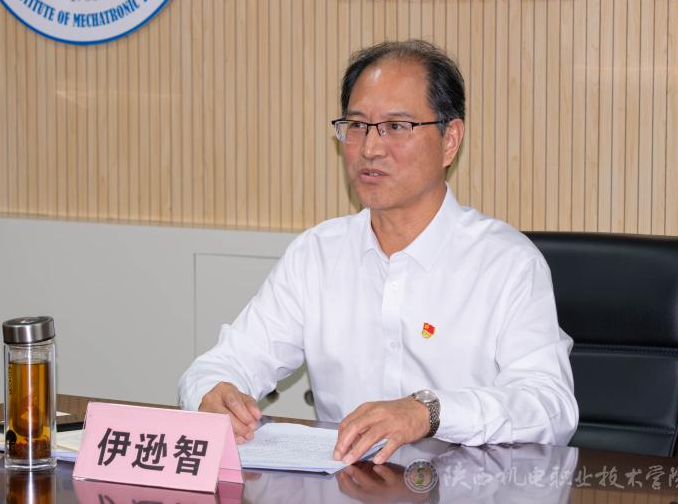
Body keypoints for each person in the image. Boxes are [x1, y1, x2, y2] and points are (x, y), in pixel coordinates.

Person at [178, 40, 578, 465]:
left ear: (450, 140)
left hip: (468, 486)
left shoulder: (507, 263)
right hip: (343, 487)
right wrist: (213, 393)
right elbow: (222, 365)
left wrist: (429, 412)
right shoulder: (318, 254)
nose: (370, 148)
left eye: (396, 126)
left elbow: (549, 406)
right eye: (357, 125)